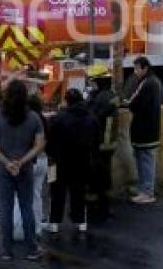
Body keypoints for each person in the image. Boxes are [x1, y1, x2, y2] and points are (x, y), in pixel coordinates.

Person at [0, 80, 45, 262]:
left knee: (6, 210)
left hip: (4, 169)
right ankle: (31, 248)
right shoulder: (33, 118)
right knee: (26, 208)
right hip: (25, 169)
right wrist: (21, 161)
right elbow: (39, 144)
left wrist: (6, 162)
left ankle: (6, 250)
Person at [46, 88, 98, 234]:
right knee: (79, 192)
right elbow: (96, 141)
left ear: (67, 101)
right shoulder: (91, 117)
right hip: (82, 161)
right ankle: (80, 221)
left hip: (59, 161)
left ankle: (55, 222)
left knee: (57, 193)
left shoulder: (58, 118)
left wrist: (51, 155)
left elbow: (50, 140)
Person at [128, 57, 163, 205]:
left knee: (146, 162)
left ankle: (147, 192)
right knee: (144, 160)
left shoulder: (149, 84)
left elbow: (135, 104)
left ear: (145, 68)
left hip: (146, 130)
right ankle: (143, 189)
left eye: (137, 68)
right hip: (146, 129)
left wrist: (129, 104)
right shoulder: (152, 82)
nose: (135, 72)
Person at [85, 63, 119, 223]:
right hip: (104, 143)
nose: (90, 83)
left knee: (98, 176)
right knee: (102, 176)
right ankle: (103, 207)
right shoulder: (105, 95)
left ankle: (100, 209)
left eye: (92, 80)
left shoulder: (104, 98)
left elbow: (92, 116)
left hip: (101, 144)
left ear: (99, 80)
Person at [13, 92, 47, 242]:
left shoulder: (25, 120)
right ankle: (37, 227)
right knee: (37, 195)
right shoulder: (44, 120)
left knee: (20, 196)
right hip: (42, 160)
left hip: (28, 161)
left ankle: (20, 229)